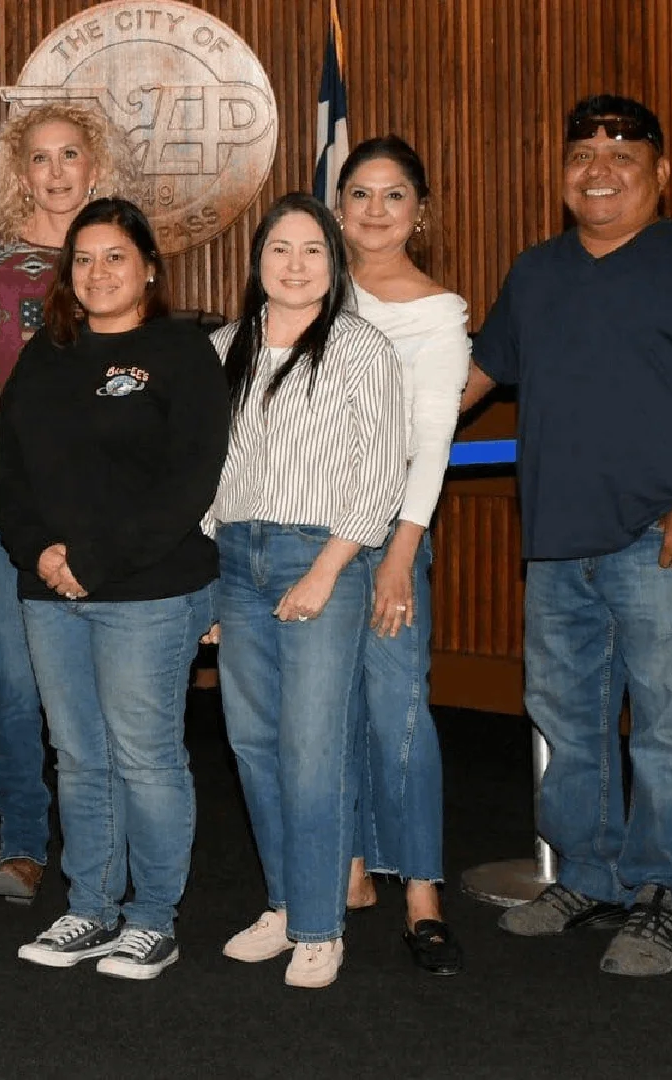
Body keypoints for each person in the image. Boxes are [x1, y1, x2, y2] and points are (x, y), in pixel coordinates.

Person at [464, 95, 672, 976]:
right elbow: (472, 380)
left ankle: (668, 896)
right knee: (569, 726)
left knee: (668, 732)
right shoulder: (536, 272)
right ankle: (591, 877)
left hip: (662, 541)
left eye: (622, 157)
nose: (598, 172)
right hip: (555, 546)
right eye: (581, 156)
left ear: (660, 174)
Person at [0, 198, 229, 981]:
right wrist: (39, 551)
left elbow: (189, 480)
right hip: (50, 592)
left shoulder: (181, 351)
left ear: (149, 269)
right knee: (78, 757)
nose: (98, 273)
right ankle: (91, 907)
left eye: (116, 257)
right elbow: (9, 469)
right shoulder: (46, 354)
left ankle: (153, 918)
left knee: (145, 758)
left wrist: (94, 561)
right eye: (84, 259)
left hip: (149, 591)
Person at [211, 193, 408, 990]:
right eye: (280, 249)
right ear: (257, 261)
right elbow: (204, 470)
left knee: (313, 746)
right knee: (254, 744)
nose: (295, 265)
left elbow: (381, 473)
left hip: (321, 555)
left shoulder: (362, 349)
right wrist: (209, 581)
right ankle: (286, 904)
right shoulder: (223, 348)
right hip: (235, 559)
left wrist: (326, 571)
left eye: (312, 250)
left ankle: (322, 927)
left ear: (334, 263)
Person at [0, 101, 137, 904]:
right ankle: (23, 843)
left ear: (94, 167)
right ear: (19, 171)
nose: (57, 171)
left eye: (71, 155)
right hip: (9, 502)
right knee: (18, 683)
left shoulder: (118, 256)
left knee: (105, 685)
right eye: (40, 157)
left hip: (104, 505)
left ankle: (103, 844)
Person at [333, 136, 471, 976]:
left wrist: (401, 552)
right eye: (360, 194)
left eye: (394, 196)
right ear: (338, 206)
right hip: (308, 533)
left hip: (391, 534)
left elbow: (432, 441)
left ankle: (422, 888)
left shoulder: (439, 312)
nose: (376, 211)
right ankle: (349, 862)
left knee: (399, 708)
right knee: (329, 707)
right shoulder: (312, 288)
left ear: (420, 211)